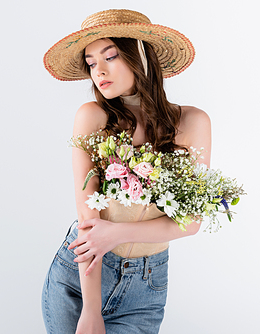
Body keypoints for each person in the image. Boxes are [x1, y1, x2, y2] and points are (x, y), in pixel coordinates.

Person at [41, 9, 211, 334]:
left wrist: (116, 234)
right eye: (91, 63)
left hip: (146, 288)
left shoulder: (192, 123)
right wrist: (91, 310)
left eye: (110, 56)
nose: (98, 71)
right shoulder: (92, 117)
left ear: (140, 56)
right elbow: (87, 215)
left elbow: (190, 222)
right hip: (80, 279)